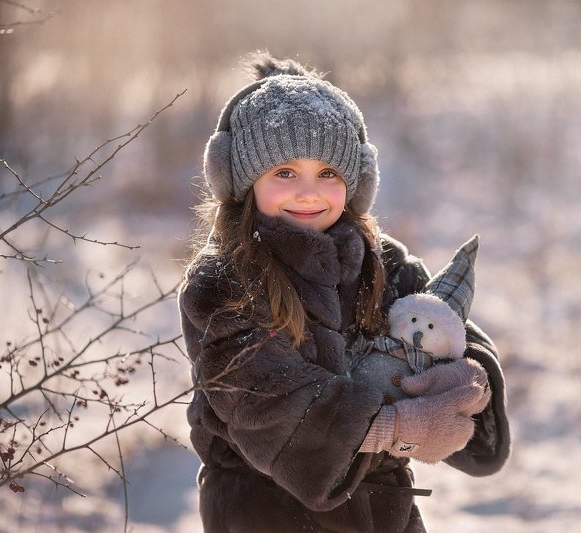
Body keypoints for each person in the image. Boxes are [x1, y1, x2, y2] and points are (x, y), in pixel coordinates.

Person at [178, 52, 510, 533]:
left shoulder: (382, 260)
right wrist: (397, 429)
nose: (309, 192)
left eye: (328, 173)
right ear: (243, 180)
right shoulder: (224, 279)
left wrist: (461, 381)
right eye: (285, 173)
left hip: (385, 513)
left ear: (356, 181)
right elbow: (263, 399)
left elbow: (444, 323)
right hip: (265, 512)